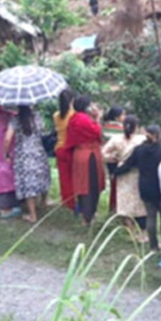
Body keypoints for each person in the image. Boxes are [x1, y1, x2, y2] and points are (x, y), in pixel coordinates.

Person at [116, 124, 161, 251]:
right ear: (158, 135)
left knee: (151, 216)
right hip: (160, 187)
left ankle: (153, 246)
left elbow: (128, 165)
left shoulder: (139, 149)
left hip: (145, 187)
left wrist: (116, 172)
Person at [103, 115, 147, 240]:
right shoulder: (141, 139)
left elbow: (103, 152)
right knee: (138, 202)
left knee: (125, 202)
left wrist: (113, 158)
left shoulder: (116, 139)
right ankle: (142, 233)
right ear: (136, 127)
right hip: (137, 172)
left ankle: (130, 231)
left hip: (122, 171)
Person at [63, 96, 105, 226]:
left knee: (82, 185)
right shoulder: (84, 119)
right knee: (91, 185)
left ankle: (83, 213)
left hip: (79, 153)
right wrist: (98, 119)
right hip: (89, 154)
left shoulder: (74, 118)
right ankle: (88, 216)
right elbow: (97, 133)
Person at [7, 105, 50, 223]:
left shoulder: (15, 120)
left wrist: (5, 153)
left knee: (28, 182)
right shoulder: (37, 117)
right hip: (38, 151)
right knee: (42, 175)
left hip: (23, 154)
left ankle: (32, 215)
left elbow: (7, 138)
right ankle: (44, 201)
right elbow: (43, 130)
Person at [53, 90, 76, 210]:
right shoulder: (74, 115)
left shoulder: (56, 115)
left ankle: (66, 201)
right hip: (71, 149)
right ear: (72, 100)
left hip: (59, 148)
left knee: (64, 177)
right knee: (74, 177)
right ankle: (74, 202)